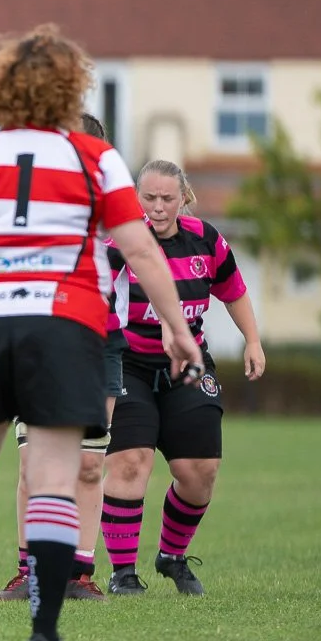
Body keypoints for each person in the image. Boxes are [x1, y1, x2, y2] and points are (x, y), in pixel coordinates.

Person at [0, 24, 203, 641]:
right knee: (55, 482)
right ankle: (44, 634)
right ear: (69, 89)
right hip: (65, 326)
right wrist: (177, 327)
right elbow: (140, 248)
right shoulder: (94, 158)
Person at [100, 160, 264, 596]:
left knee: (200, 471)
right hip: (128, 364)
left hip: (187, 365)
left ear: (183, 198)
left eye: (166, 198)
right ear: (135, 198)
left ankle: (172, 555)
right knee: (131, 462)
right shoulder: (120, 241)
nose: (157, 207)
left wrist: (252, 340)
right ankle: (122, 573)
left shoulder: (205, 240)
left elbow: (234, 290)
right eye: (148, 198)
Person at [0, 112, 115, 603]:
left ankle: (79, 573)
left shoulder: (116, 215)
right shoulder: (31, 206)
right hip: (38, 348)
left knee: (88, 466)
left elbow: (148, 266)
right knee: (31, 466)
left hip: (100, 350)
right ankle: (30, 572)